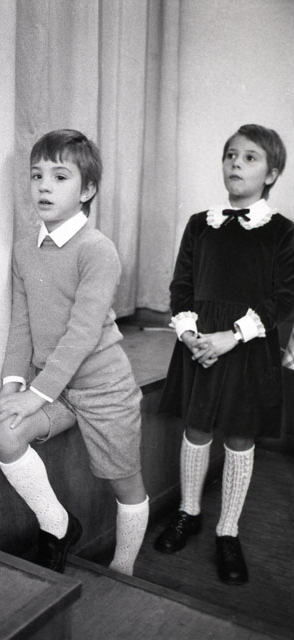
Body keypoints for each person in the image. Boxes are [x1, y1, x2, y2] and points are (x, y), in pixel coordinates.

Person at [0, 129, 149, 575]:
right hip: (54, 389)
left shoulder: (97, 250)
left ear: (87, 190)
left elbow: (81, 334)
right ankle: (57, 526)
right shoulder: (24, 249)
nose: (44, 186)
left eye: (59, 177)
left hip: (102, 387)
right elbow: (22, 325)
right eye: (37, 175)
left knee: (125, 484)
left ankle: (124, 570)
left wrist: (33, 396)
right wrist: (11, 389)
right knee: (3, 433)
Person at [155, 124, 294, 585]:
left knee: (238, 435)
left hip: (247, 347)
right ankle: (189, 511)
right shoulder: (201, 224)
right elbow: (182, 285)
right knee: (196, 428)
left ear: (271, 174)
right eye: (230, 154)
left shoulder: (283, 232)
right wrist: (191, 334)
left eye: (250, 157)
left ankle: (227, 530)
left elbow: (284, 299)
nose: (236, 162)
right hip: (199, 346)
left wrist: (231, 336)